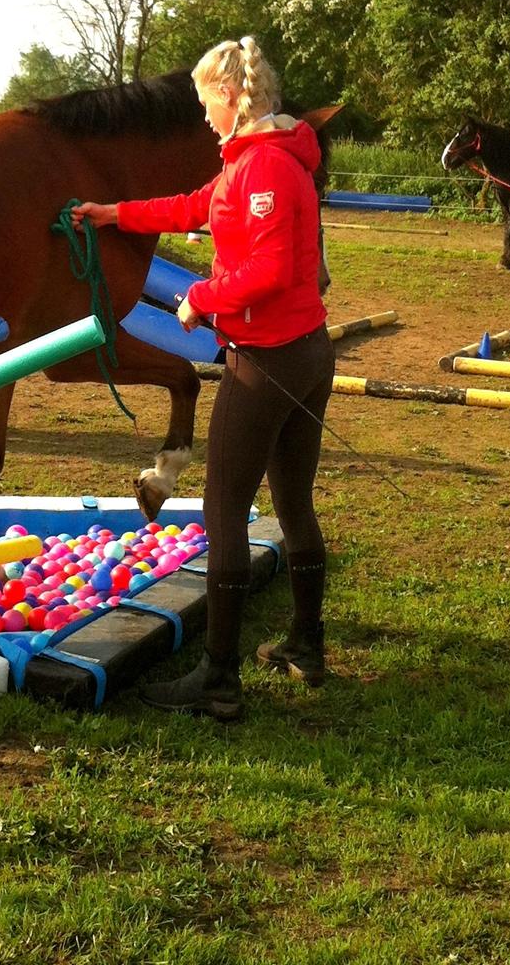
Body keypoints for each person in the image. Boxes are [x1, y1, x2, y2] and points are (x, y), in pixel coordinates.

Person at [71, 37, 334, 722]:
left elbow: (270, 272)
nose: (201, 114)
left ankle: (218, 680)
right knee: (295, 503)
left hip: (271, 361)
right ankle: (308, 646)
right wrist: (114, 214)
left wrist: (202, 299)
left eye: (203, 101)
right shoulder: (252, 162)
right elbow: (191, 207)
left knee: (224, 515)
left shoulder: (269, 168)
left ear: (231, 96)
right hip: (302, 353)